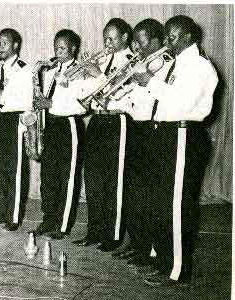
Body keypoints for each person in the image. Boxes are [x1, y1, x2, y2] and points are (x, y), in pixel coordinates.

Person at [131, 15, 218, 286]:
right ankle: (163, 262)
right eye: (167, 36)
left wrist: (151, 83)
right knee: (161, 202)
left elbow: (183, 103)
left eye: (173, 37)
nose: (167, 42)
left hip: (183, 133)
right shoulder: (176, 63)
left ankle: (178, 270)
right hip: (166, 133)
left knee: (177, 205)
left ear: (189, 37)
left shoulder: (200, 66)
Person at [110, 19, 174, 273]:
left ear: (157, 39)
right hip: (136, 128)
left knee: (150, 195)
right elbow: (133, 100)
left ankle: (152, 249)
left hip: (153, 131)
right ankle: (138, 243)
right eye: (134, 40)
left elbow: (158, 98)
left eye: (141, 40)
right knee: (134, 192)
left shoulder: (165, 62)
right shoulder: (142, 62)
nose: (136, 45)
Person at [72, 18, 134, 251]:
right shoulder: (104, 59)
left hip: (118, 120)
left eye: (112, 38)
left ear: (125, 38)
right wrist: (84, 75)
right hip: (97, 120)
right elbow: (88, 95)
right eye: (105, 38)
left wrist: (97, 74)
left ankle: (113, 235)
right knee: (94, 179)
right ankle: (94, 231)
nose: (107, 43)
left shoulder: (130, 61)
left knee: (114, 181)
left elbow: (118, 93)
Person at [33, 29, 96, 240]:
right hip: (51, 125)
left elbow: (82, 104)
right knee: (48, 177)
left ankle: (62, 225)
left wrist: (50, 103)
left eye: (62, 48)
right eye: (55, 47)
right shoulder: (51, 70)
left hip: (69, 124)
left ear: (73, 49)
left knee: (67, 177)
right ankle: (48, 219)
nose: (57, 51)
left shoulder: (80, 71)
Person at [0, 28, 33, 231]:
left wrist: (0, 93)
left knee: (15, 170)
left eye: (5, 42)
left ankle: (13, 217)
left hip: (16, 120)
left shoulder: (23, 69)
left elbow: (26, 99)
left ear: (15, 45)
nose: (0, 46)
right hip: (0, 120)